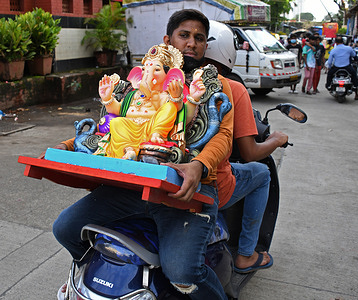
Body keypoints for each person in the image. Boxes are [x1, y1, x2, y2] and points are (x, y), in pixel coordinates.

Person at [50, 9, 234, 300]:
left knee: (183, 273)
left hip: (185, 193)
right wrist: (69, 146)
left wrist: (199, 165)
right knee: (65, 229)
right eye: (184, 35)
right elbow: (113, 125)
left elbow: (223, 136)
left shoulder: (215, 86)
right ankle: (88, 273)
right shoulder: (139, 87)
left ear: (205, 46)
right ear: (168, 41)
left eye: (199, 38)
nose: (192, 43)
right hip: (132, 186)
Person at [204, 21, 288, 273]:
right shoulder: (232, 88)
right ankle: (246, 254)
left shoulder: (170, 82)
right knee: (261, 174)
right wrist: (277, 140)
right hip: (210, 185)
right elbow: (250, 152)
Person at [325, 36, 358, 100]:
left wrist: (329, 67)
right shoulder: (349, 48)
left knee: (329, 74)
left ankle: (328, 86)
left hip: (336, 67)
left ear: (335, 42)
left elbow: (330, 62)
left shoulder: (334, 50)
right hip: (347, 67)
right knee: (354, 75)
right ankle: (356, 94)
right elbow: (354, 56)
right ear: (343, 41)